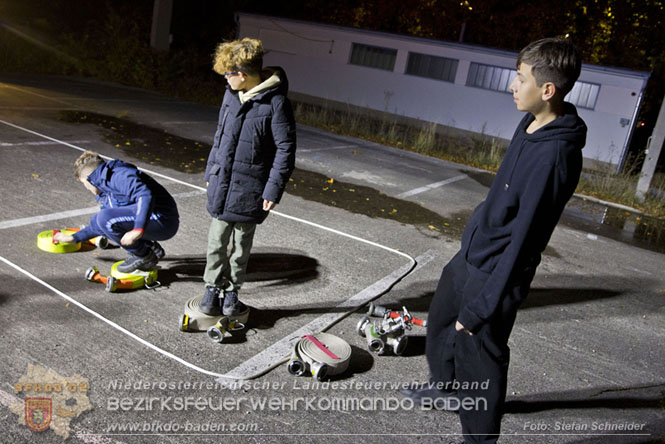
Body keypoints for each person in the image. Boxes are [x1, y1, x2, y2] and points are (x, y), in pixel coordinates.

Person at [400, 38, 587, 443]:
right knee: (440, 324)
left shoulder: (556, 156)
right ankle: (444, 387)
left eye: (521, 79)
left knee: (480, 359)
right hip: (472, 256)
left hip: (497, 273)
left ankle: (479, 438)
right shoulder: (531, 123)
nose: (513, 86)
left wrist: (485, 306)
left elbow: (525, 238)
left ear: (548, 90)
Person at [199, 37, 296, 317]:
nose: (225, 80)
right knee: (216, 241)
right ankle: (211, 288)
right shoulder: (230, 96)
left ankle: (231, 292)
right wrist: (211, 170)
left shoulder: (276, 104)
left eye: (228, 75)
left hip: (250, 188)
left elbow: (285, 149)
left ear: (242, 75)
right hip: (222, 182)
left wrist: (272, 190)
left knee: (241, 247)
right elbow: (219, 136)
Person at [54, 151, 179, 273]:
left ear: (88, 178)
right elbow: (98, 225)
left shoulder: (118, 175)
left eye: (84, 184)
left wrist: (137, 230)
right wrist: (74, 238)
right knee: (99, 219)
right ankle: (149, 246)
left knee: (105, 218)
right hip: (153, 220)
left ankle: (144, 255)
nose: (86, 188)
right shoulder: (105, 189)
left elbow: (144, 195)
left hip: (163, 219)